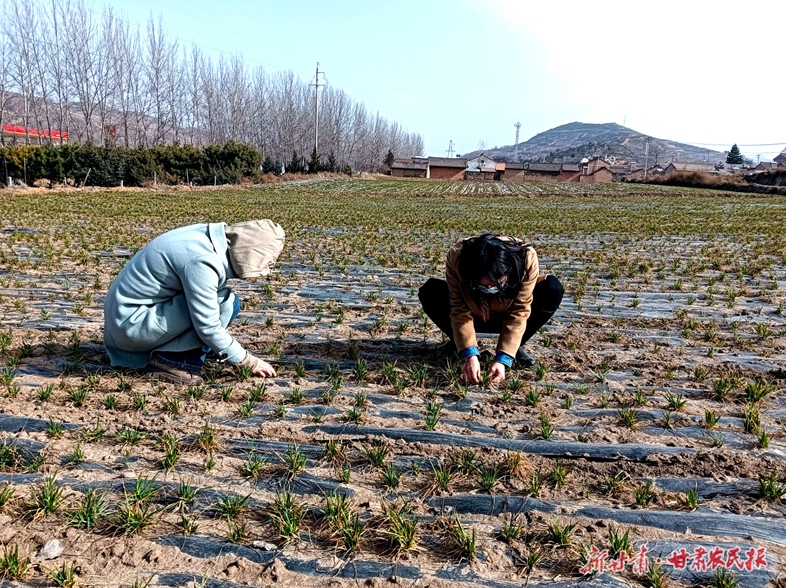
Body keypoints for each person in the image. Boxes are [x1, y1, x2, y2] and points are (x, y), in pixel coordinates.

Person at [103, 219, 285, 384]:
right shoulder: (202, 261)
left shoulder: (205, 238)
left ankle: (197, 350)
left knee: (228, 301)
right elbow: (208, 325)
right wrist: (248, 361)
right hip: (131, 326)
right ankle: (172, 362)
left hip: (126, 319)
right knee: (223, 303)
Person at [418, 233, 563, 385]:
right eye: (485, 284)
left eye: (495, 283)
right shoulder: (458, 257)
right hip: (474, 312)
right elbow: (459, 310)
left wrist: (503, 359)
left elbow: (520, 311)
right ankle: (458, 343)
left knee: (552, 289)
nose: (489, 288)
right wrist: (469, 355)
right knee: (431, 290)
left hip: (506, 313)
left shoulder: (526, 258)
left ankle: (515, 347)